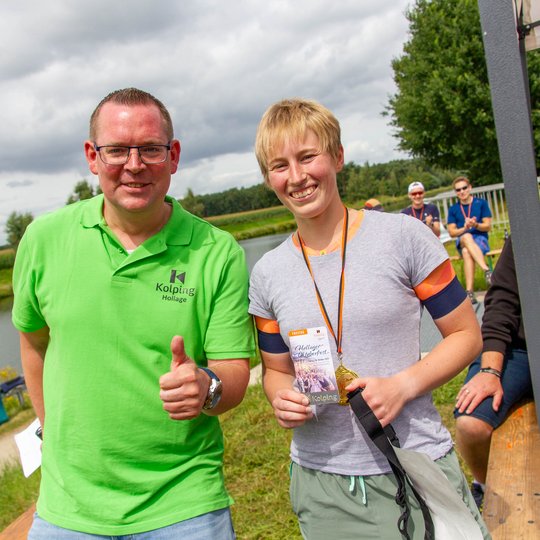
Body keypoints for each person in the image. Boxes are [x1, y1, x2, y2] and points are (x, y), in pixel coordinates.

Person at [12, 88, 255, 539]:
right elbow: (33, 340)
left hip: (184, 503)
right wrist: (52, 429)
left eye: (150, 149)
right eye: (117, 150)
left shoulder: (217, 252)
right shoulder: (43, 239)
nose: (134, 164)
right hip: (67, 509)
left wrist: (207, 385)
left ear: (174, 155)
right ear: (92, 156)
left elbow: (235, 373)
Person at [248, 98, 490, 539]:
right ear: (268, 178)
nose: (297, 177)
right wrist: (281, 397)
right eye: (280, 165)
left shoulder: (403, 237)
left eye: (307, 157)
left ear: (338, 156)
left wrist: (402, 386)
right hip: (321, 485)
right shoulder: (266, 274)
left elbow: (466, 335)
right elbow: (276, 372)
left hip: (415, 462)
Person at [454, 236, 532, 509]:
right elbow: (501, 304)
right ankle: (484, 486)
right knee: (470, 423)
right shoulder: (528, 230)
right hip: (520, 348)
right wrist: (490, 370)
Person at [447, 176, 493, 304]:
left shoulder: (481, 203)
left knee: (467, 252)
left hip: (480, 238)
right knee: (466, 237)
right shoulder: (453, 209)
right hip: (462, 239)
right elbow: (451, 232)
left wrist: (475, 225)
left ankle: (469, 292)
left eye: (464, 188)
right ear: (456, 192)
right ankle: (486, 270)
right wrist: (465, 228)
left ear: (470, 188)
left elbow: (488, 226)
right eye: (458, 190)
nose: (461, 191)